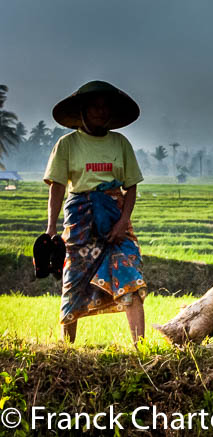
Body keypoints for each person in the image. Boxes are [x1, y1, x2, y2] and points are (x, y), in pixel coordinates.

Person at [43, 80, 147, 343]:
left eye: (105, 107)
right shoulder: (67, 145)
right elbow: (56, 187)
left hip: (115, 220)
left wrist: (124, 222)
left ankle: (141, 352)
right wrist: (51, 229)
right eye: (94, 106)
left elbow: (131, 187)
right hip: (80, 222)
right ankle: (66, 350)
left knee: (131, 278)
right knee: (73, 284)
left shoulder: (120, 143)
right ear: (83, 110)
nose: (100, 111)